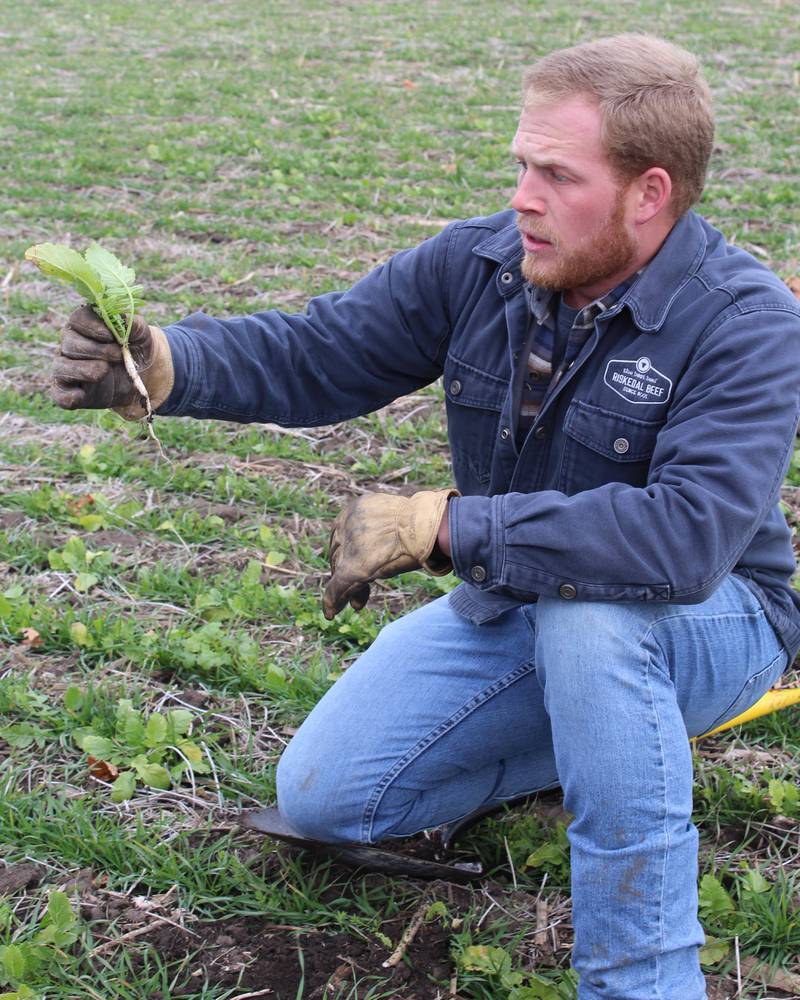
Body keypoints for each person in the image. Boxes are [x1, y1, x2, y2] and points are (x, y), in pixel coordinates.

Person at [50, 33, 800, 1000]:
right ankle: (589, 743)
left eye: (557, 174)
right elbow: (323, 351)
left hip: (713, 617)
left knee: (594, 622)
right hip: (524, 599)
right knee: (327, 799)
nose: (524, 195)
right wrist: (169, 365)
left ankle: (642, 978)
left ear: (648, 192)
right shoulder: (483, 265)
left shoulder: (743, 322)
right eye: (522, 165)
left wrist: (450, 527)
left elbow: (685, 538)